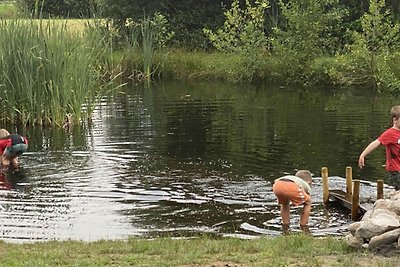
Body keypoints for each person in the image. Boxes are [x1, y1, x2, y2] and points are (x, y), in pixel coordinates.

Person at [358, 105, 400, 190]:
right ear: (395, 120)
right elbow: (376, 143)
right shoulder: (390, 133)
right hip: (395, 170)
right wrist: (363, 155)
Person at [272, 170, 313, 234]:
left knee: (285, 203)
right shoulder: (306, 185)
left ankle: (285, 226)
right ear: (309, 182)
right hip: (291, 186)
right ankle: (303, 226)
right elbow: (307, 197)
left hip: (277, 185)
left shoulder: (294, 179)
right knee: (308, 202)